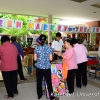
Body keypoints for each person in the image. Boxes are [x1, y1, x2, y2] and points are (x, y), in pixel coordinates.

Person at [34, 34, 58, 100]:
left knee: (39, 82)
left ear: (39, 40)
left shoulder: (36, 48)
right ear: (45, 40)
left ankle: (39, 95)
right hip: (47, 68)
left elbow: (35, 59)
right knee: (48, 82)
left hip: (39, 68)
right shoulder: (49, 48)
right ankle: (51, 96)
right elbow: (50, 59)